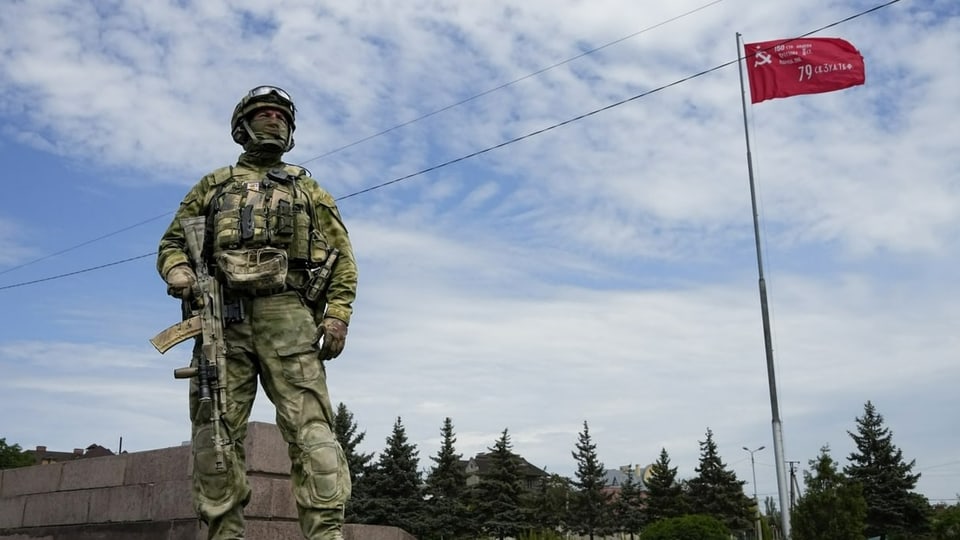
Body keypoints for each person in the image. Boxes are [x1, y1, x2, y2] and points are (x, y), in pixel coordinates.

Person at [157, 85, 357, 540]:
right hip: (221, 317)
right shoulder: (212, 186)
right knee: (215, 433)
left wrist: (337, 314)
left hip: (290, 316)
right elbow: (171, 243)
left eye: (281, 115)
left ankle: (326, 534)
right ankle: (224, 534)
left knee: (312, 432)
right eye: (264, 113)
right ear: (242, 127)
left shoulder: (309, 190)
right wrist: (180, 272)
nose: (274, 120)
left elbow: (342, 257)